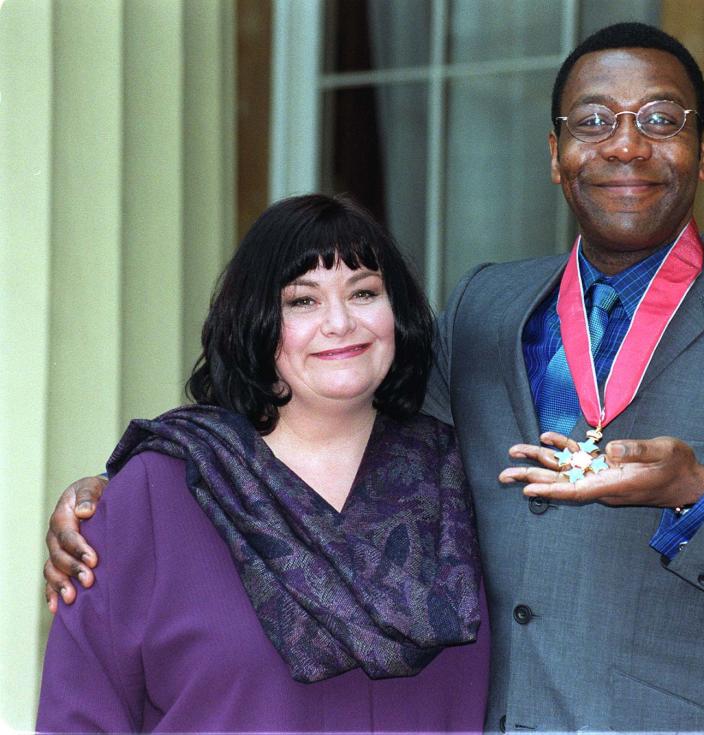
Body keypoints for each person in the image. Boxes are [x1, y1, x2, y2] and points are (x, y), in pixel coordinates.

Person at [41, 21, 704, 733]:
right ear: (556, 151)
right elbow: (332, 426)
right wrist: (137, 483)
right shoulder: (488, 311)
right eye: (594, 121)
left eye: (661, 118)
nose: (627, 146)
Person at [36, 194, 489, 732]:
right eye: (302, 301)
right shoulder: (155, 495)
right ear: (255, 319)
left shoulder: (466, 480)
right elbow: (80, 717)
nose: (340, 322)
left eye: (364, 291)